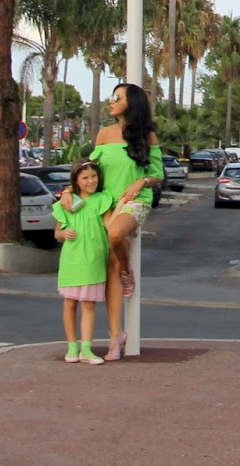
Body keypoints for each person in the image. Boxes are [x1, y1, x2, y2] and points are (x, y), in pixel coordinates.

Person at [62, 82, 161, 362]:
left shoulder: (147, 135)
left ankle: (128, 269)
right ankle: (116, 336)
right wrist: (69, 189)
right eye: (112, 97)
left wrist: (141, 181)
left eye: (118, 97)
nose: (112, 101)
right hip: (105, 203)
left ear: (133, 102)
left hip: (135, 201)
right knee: (109, 269)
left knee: (116, 235)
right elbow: (88, 171)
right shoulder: (104, 134)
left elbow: (157, 174)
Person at [53, 160, 115, 364]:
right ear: (76, 181)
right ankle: (72, 346)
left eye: (94, 176)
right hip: (72, 259)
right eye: (85, 177)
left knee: (88, 304)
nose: (91, 181)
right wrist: (63, 233)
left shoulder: (103, 199)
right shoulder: (67, 202)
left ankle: (86, 348)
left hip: (94, 258)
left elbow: (109, 226)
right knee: (70, 302)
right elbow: (57, 233)